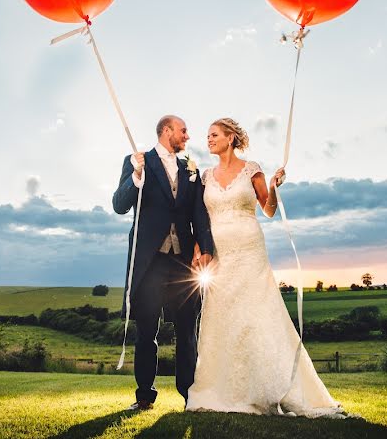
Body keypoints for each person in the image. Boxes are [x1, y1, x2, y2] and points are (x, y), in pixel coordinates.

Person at [185, 117, 345, 417]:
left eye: (214, 134)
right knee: (223, 317)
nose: (208, 139)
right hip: (219, 255)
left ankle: (273, 386)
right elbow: (200, 220)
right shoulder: (205, 176)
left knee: (256, 314)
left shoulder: (251, 169)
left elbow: (268, 210)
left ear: (231, 138)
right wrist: (198, 247)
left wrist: (273, 186)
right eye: (207, 136)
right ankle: (224, 388)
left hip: (249, 251)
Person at [112, 114, 213, 411]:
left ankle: (189, 396)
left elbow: (199, 214)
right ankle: (144, 396)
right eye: (183, 131)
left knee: (187, 332)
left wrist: (205, 249)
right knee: (146, 332)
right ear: (167, 131)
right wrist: (136, 176)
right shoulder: (137, 161)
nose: (187, 136)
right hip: (150, 262)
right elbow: (119, 205)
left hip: (183, 264)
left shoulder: (190, 168)